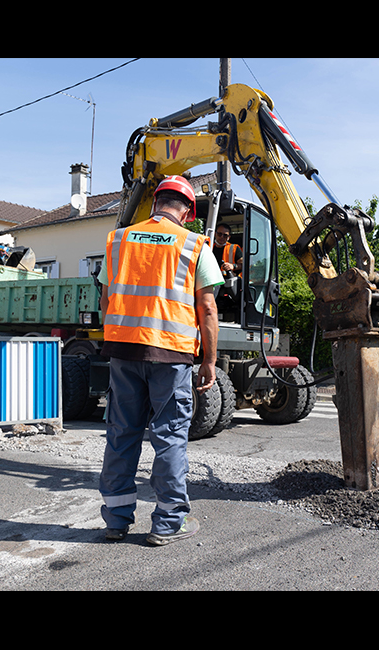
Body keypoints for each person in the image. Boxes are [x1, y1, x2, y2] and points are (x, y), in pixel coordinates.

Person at [97, 175, 224, 546]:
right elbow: (208, 308)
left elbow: (106, 300)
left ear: (155, 204)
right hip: (170, 353)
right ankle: (168, 523)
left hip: (123, 350)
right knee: (169, 436)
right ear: (187, 213)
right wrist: (209, 360)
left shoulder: (118, 239)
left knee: (121, 434)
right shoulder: (193, 244)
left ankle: (117, 521)